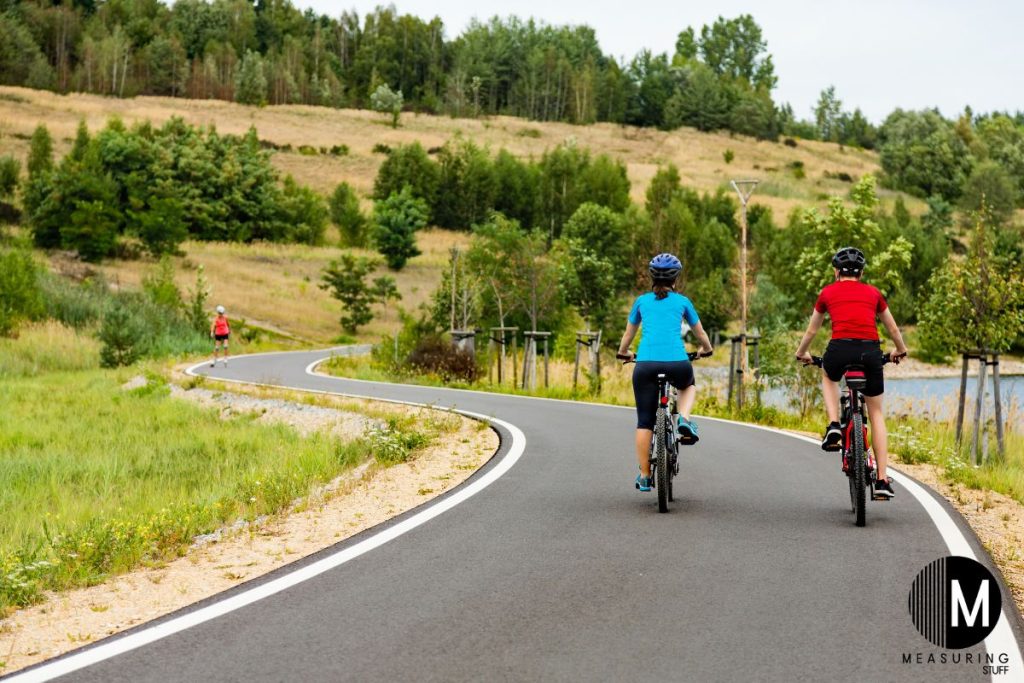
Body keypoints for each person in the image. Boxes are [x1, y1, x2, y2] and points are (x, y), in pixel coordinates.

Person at [794, 247, 908, 499]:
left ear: (836, 271)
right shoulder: (874, 293)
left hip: (839, 349)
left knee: (827, 374)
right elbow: (892, 328)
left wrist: (802, 352)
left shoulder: (827, 293)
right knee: (876, 412)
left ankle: (834, 424)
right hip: (870, 351)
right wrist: (900, 349)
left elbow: (812, 331)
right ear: (861, 272)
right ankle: (881, 480)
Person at [617, 253, 714, 493]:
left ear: (652, 277)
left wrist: (624, 353)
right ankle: (683, 418)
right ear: (675, 278)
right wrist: (706, 350)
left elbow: (628, 336)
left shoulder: (641, 302)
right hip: (677, 363)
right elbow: (700, 334)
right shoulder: (683, 302)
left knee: (644, 422)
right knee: (688, 385)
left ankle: (645, 476)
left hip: (645, 365)